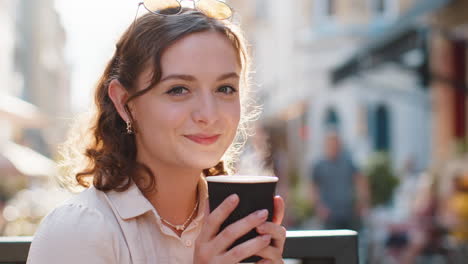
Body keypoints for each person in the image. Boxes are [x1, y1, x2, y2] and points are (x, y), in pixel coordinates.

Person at [27, 1, 286, 263]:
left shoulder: (233, 224)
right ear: (125, 103)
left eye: (225, 89)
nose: (208, 114)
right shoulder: (77, 231)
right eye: (178, 89)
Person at [309, 130, 369, 230]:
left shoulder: (348, 161)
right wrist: (318, 207)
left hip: (349, 212)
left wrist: (362, 202)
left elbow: (360, 180)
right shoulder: (319, 165)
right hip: (329, 215)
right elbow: (313, 188)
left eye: (336, 143)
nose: (334, 146)